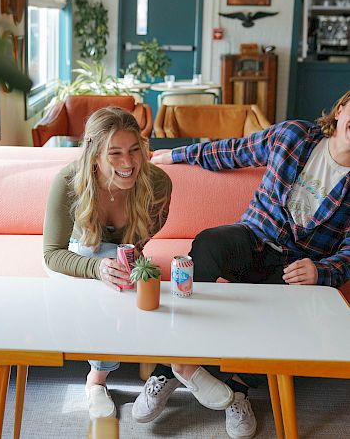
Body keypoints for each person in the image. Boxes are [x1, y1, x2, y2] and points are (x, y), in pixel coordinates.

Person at [133, 90, 350, 439]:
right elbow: (234, 151)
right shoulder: (293, 135)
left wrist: (321, 271)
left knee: (285, 311)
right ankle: (172, 367)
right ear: (340, 110)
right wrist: (177, 154)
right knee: (208, 242)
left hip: (296, 263)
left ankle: (237, 391)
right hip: (251, 237)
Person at [43, 106, 175, 420]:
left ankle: (179, 365)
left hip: (120, 256)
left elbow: (141, 241)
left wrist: (127, 260)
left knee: (129, 274)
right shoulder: (68, 181)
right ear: (94, 154)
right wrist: (99, 268)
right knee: (98, 256)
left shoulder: (159, 184)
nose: (127, 162)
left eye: (134, 150)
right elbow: (51, 253)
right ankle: (96, 380)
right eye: (114, 153)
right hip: (78, 258)